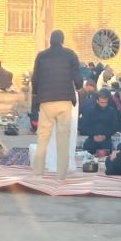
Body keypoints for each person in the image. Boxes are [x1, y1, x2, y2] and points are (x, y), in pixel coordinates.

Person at [30, 28, 81, 178]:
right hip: (64, 100)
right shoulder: (70, 54)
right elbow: (77, 76)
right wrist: (79, 86)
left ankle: (38, 171)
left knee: (43, 137)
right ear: (62, 41)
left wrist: (36, 95)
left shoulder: (41, 56)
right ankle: (61, 174)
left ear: (50, 41)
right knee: (63, 139)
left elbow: (35, 78)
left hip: (46, 101)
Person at [78, 87, 121, 156]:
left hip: (105, 140)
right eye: (101, 102)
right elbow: (84, 125)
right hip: (92, 139)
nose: (103, 105)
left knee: (104, 155)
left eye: (105, 102)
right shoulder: (90, 111)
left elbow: (114, 126)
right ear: (97, 101)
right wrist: (93, 135)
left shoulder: (112, 112)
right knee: (87, 153)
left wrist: (105, 136)